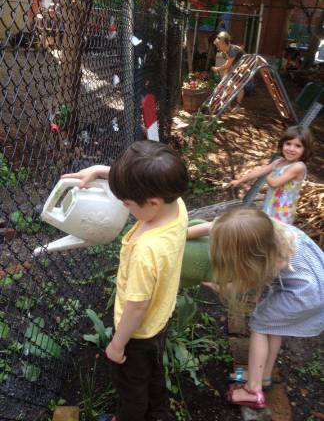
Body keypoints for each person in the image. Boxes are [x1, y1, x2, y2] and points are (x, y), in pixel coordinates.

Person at [62, 140, 189, 421]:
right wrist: (98, 170)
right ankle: (159, 414)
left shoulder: (147, 250)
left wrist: (118, 344)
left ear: (152, 202)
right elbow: (144, 182)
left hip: (137, 333)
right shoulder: (176, 205)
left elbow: (136, 307)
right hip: (161, 318)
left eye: (129, 203)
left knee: (131, 385)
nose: (125, 206)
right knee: (154, 372)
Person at [187, 207, 324, 408]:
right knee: (274, 327)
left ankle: (253, 390)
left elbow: (248, 283)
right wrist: (178, 236)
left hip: (304, 295)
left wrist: (220, 287)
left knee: (260, 326)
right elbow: (213, 226)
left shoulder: (272, 260)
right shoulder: (264, 227)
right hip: (313, 280)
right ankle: (264, 376)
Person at [229, 125, 313, 224]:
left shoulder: (298, 167)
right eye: (288, 143)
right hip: (270, 205)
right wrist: (239, 181)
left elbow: (274, 183)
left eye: (298, 146)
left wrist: (268, 172)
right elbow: (258, 171)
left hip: (282, 212)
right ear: (282, 145)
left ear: (305, 150)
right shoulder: (279, 162)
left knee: (276, 235)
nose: (291, 148)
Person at [211, 31, 245, 112]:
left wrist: (217, 69)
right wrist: (224, 77)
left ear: (223, 43)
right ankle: (227, 105)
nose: (218, 48)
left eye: (218, 46)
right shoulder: (225, 52)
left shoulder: (233, 50)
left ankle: (237, 106)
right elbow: (228, 65)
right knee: (228, 86)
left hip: (244, 68)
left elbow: (228, 65)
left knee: (237, 86)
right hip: (235, 69)